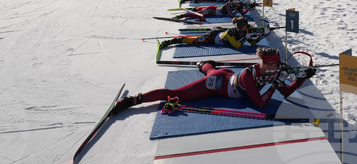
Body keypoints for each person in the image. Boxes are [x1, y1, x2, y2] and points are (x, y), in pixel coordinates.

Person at [111, 47, 314, 115]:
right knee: (176, 95)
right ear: (268, 65)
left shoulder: (270, 73)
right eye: (276, 66)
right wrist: (273, 84)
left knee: (211, 69)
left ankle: (204, 64)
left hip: (226, 73)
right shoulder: (249, 76)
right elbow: (260, 103)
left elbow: (287, 92)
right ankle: (133, 101)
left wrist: (302, 79)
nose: (278, 69)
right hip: (217, 85)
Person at [159, 16, 269, 50]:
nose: (247, 27)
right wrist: (246, 37)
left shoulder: (245, 31)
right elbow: (236, 45)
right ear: (240, 27)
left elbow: (253, 43)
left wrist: (261, 35)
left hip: (220, 31)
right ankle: (172, 40)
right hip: (213, 36)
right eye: (246, 26)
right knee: (194, 41)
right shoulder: (230, 33)